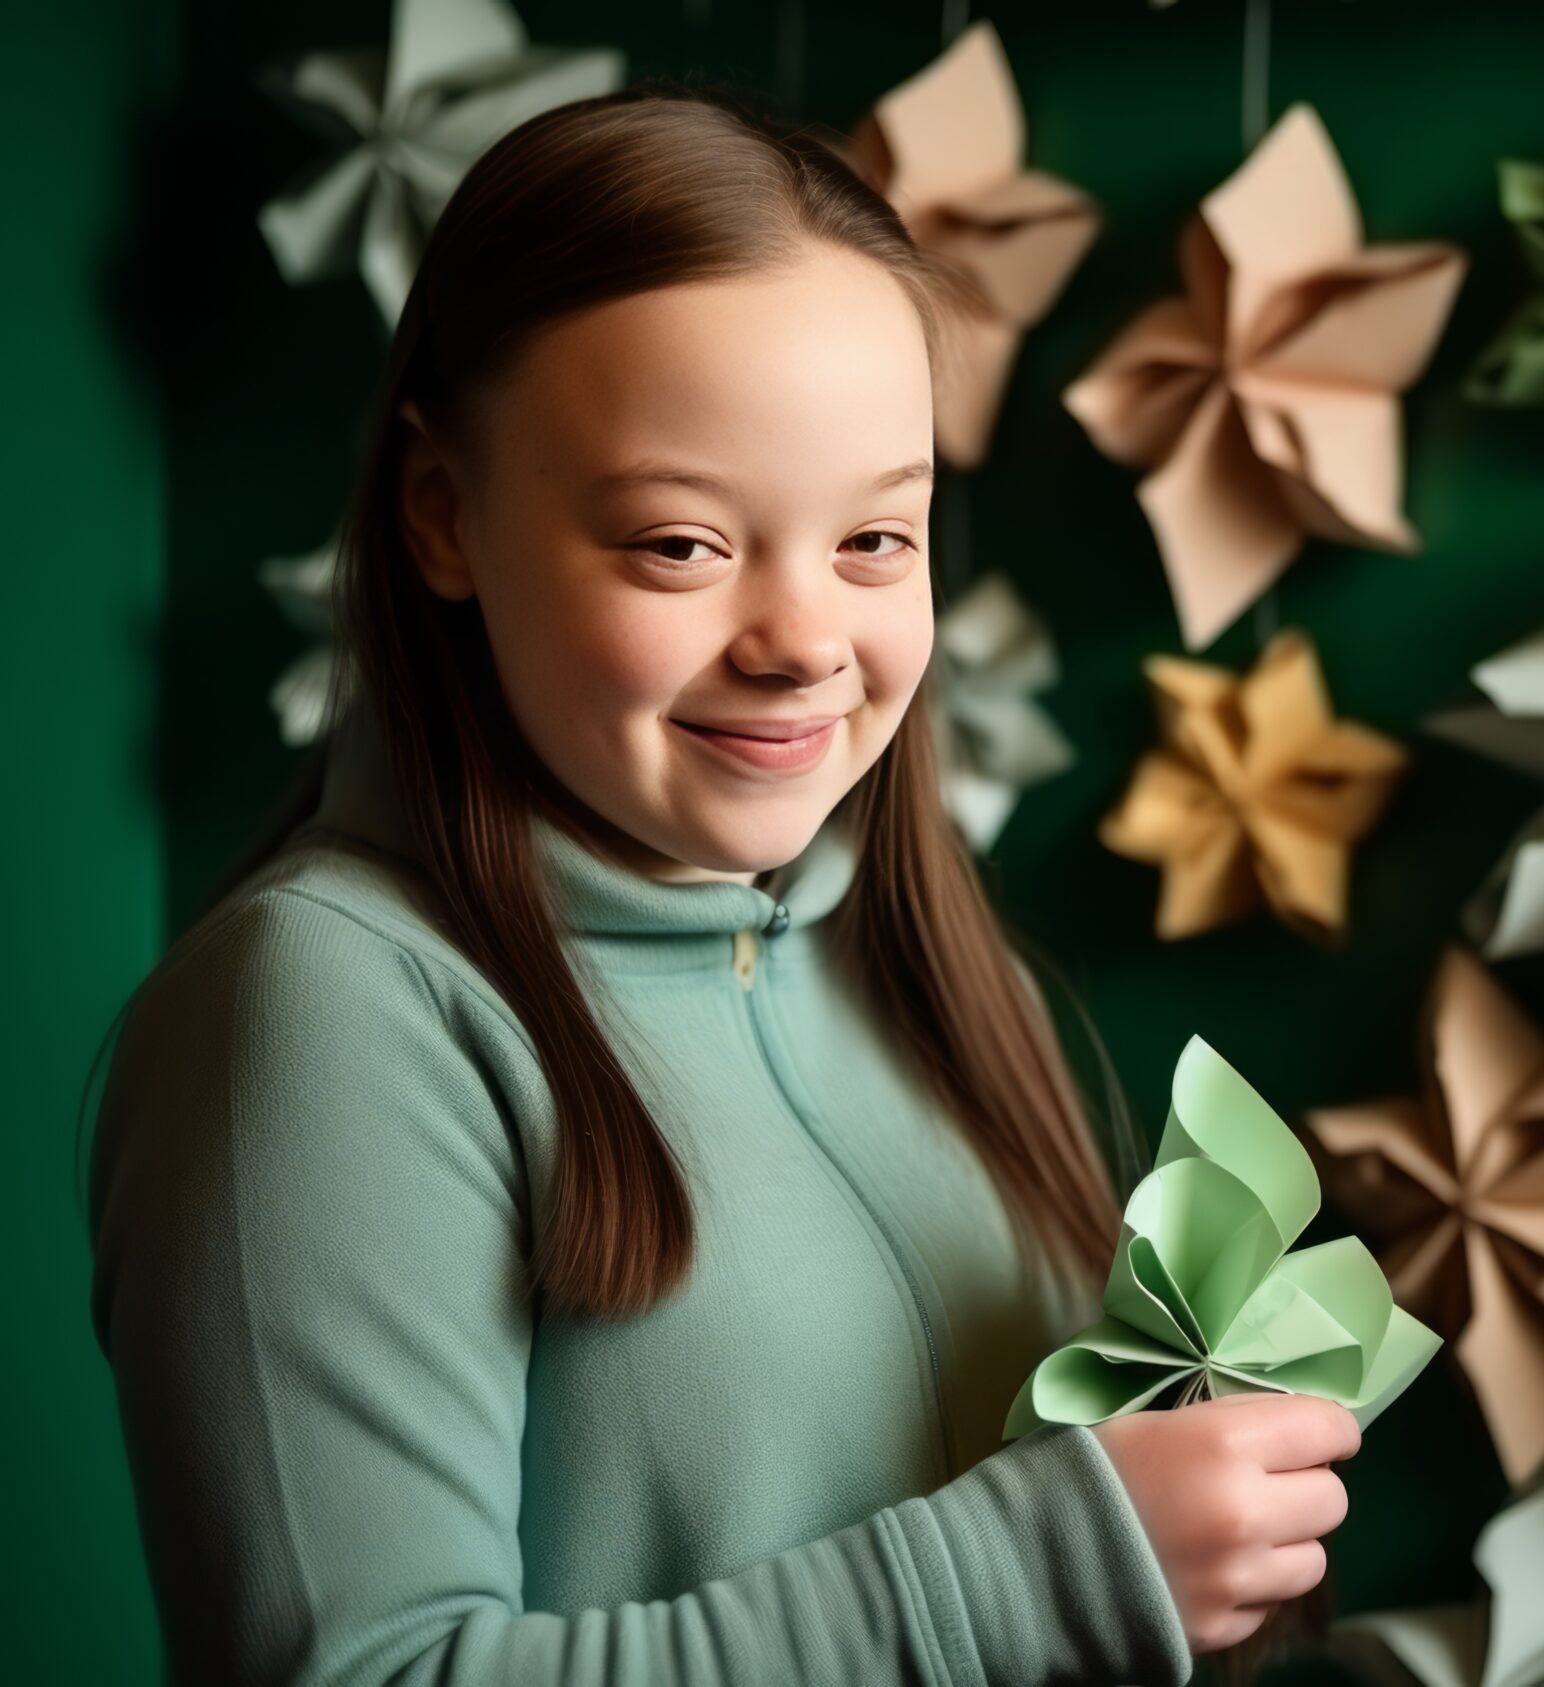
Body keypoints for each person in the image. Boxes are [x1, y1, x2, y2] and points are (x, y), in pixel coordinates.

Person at [84, 85, 1359, 1687]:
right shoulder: (324, 1008)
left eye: (876, 541)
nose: (805, 640)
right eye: (682, 545)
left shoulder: (933, 971)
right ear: (443, 516)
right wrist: (1045, 1566)